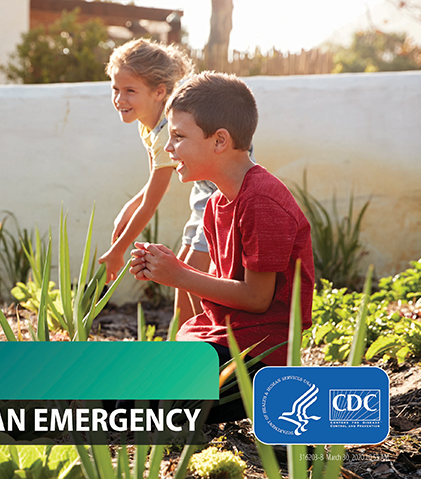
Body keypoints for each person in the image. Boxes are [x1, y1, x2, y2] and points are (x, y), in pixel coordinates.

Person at [129, 72, 315, 422]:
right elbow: (221, 289)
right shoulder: (217, 204)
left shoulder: (261, 200)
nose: (168, 148)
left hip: (258, 360)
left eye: (179, 137)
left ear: (219, 141)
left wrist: (179, 274)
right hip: (222, 340)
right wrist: (165, 269)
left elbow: (257, 298)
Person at [95, 39, 205, 320]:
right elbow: (151, 184)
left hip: (221, 198)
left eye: (130, 91)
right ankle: (186, 347)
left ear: (159, 92)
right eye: (115, 89)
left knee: (190, 274)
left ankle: (199, 349)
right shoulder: (150, 127)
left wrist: (117, 251)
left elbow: (152, 202)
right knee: (187, 275)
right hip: (204, 198)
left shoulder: (167, 130)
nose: (120, 99)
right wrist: (127, 208)